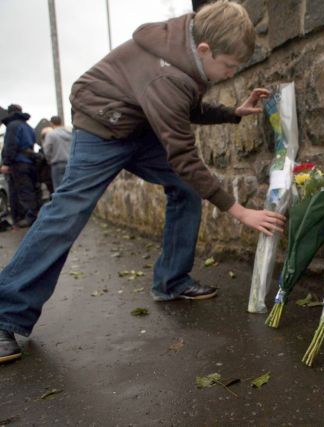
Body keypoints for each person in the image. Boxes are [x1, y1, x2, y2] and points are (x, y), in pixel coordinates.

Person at [0, 1, 285, 364]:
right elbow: (184, 155)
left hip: (138, 120)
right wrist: (239, 210)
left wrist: (232, 112)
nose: (230, 74)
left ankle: (171, 280)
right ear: (204, 49)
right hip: (102, 124)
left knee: (184, 190)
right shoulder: (168, 74)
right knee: (68, 211)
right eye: (229, 66)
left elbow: (183, 105)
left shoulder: (187, 51)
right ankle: (5, 312)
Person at [0, 104, 39, 228]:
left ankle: (30, 219)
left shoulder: (12, 126)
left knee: (23, 192)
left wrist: (6, 162)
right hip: (29, 162)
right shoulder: (28, 126)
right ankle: (26, 217)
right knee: (29, 190)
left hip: (18, 163)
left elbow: (11, 145)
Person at [41, 116, 72, 191]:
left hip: (57, 163)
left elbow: (47, 150)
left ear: (51, 123)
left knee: (58, 187)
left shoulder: (51, 134)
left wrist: (49, 160)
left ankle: (61, 202)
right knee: (70, 186)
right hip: (70, 163)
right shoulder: (70, 134)